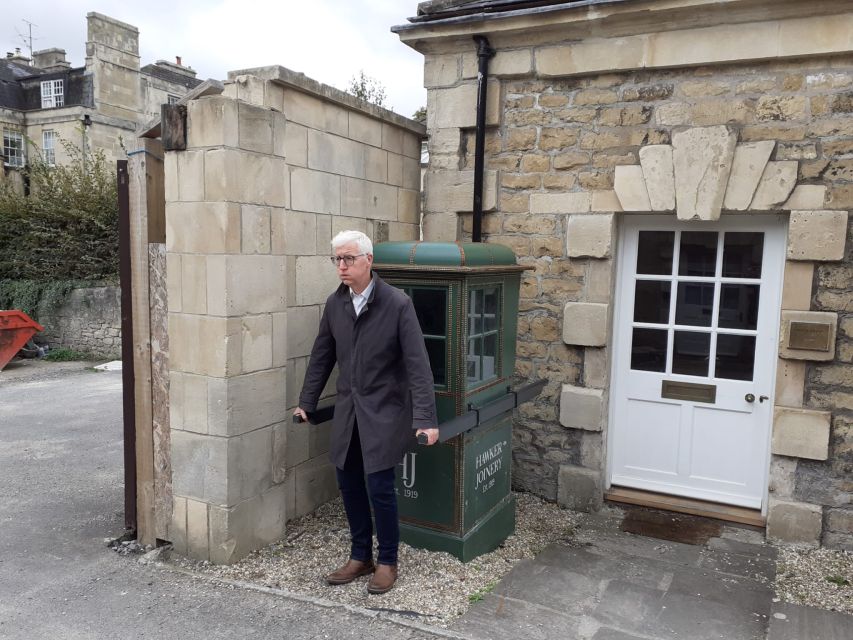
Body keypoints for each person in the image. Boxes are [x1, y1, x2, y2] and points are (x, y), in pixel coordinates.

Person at [294, 230, 438, 595]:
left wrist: (425, 419)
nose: (341, 266)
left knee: (380, 488)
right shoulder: (335, 304)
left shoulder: (397, 304)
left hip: (385, 412)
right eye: (336, 259)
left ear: (368, 260)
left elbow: (418, 366)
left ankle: (387, 560)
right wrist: (307, 402)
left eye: (348, 259)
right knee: (348, 483)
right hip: (348, 413)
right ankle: (361, 556)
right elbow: (322, 357)